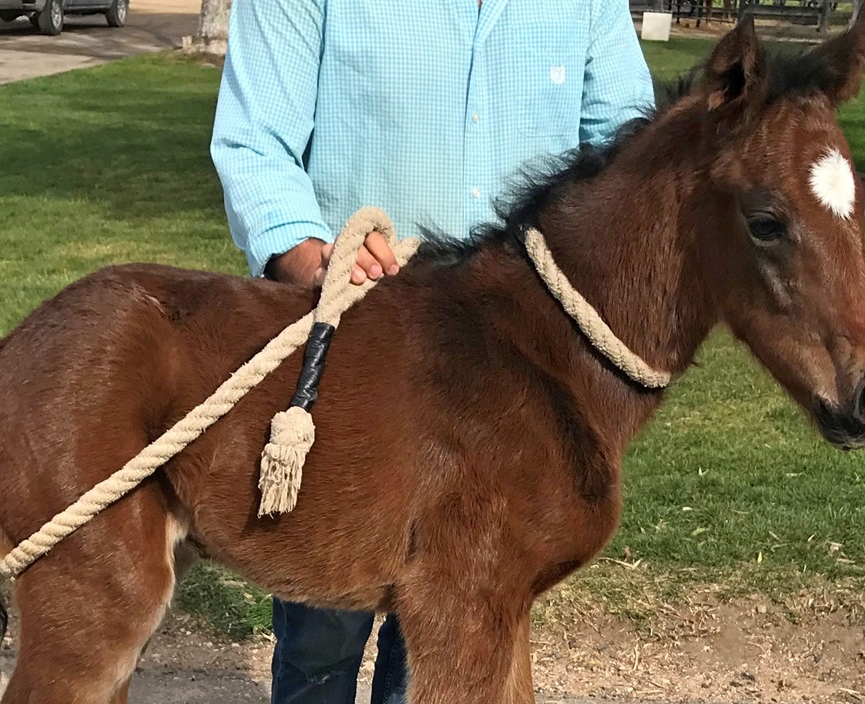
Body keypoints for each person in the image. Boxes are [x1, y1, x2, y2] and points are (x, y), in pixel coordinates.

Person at [209, 1, 655, 702]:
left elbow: (628, 149)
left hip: (516, 373)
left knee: (462, 621)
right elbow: (254, 140)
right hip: (361, 349)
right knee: (323, 635)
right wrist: (304, 251)